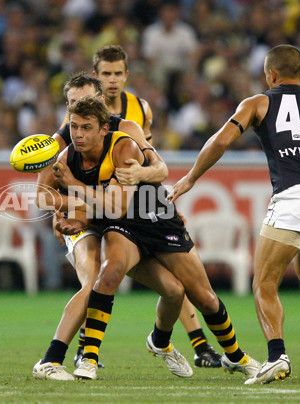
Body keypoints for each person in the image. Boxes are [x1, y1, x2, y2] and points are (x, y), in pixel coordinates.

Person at [167, 44, 300, 384]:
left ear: (271, 75)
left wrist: (191, 177)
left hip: (295, 194)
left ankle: (277, 356)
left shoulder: (258, 102)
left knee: (264, 282)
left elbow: (220, 141)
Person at [52, 95, 259, 381]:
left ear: (103, 129)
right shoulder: (67, 157)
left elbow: (116, 205)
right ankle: (88, 357)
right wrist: (69, 216)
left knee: (202, 297)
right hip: (121, 226)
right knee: (109, 274)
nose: (77, 134)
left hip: (156, 218)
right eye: (74, 127)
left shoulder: (123, 146)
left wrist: (73, 188)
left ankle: (233, 356)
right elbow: (99, 209)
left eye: (85, 128)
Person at [94, 45, 222, 368]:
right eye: (106, 74)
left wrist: (156, 194)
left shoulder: (140, 110)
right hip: (104, 207)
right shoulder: (85, 112)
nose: (112, 80)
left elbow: (151, 161)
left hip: (143, 202)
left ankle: (200, 344)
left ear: (126, 75)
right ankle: (85, 349)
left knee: (177, 274)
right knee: (96, 277)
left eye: (117, 73)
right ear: (96, 76)